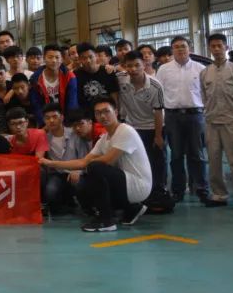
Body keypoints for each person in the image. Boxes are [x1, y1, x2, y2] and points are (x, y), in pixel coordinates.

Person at [39, 96, 152, 232]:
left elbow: (107, 161)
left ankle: (106, 220)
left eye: (106, 111)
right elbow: (82, 161)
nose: (102, 116)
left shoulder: (125, 131)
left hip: (138, 185)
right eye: (98, 113)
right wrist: (51, 163)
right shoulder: (104, 139)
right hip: (125, 184)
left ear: (116, 112)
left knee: (95, 168)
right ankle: (131, 208)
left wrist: (86, 165)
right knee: (89, 178)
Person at [200, 33, 233, 210]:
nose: (216, 49)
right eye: (213, 46)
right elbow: (204, 96)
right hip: (212, 122)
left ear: (226, 47)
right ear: (209, 48)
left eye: (219, 46)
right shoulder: (205, 73)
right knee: (214, 161)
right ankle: (219, 195)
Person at [156, 35, 210, 202]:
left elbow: (206, 93)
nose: (180, 49)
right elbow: (159, 94)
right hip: (172, 116)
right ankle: (178, 191)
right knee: (176, 155)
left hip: (196, 115)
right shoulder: (163, 70)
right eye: (176, 47)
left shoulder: (200, 69)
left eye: (183, 46)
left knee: (197, 154)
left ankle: (202, 189)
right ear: (172, 50)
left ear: (189, 48)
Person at [117, 51, 167, 193]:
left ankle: (159, 190)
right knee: (134, 162)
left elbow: (158, 112)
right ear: (125, 66)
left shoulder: (155, 86)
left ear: (144, 65)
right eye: (129, 66)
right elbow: (108, 72)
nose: (133, 69)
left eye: (137, 65)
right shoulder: (120, 79)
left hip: (152, 127)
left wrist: (158, 136)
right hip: (132, 128)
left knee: (156, 161)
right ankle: (137, 191)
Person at [29, 44, 78, 126]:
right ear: (44, 58)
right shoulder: (35, 79)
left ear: (62, 59)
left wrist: (68, 122)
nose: (54, 60)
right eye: (50, 57)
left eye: (57, 57)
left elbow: (72, 103)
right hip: (46, 121)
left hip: (66, 120)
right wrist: (44, 124)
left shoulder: (69, 77)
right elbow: (36, 104)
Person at [73, 43, 119, 112]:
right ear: (79, 59)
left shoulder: (107, 72)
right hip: (87, 114)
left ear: (96, 56)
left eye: (90, 57)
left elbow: (114, 96)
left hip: (107, 112)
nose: (88, 60)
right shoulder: (76, 75)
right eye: (84, 58)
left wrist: (115, 111)